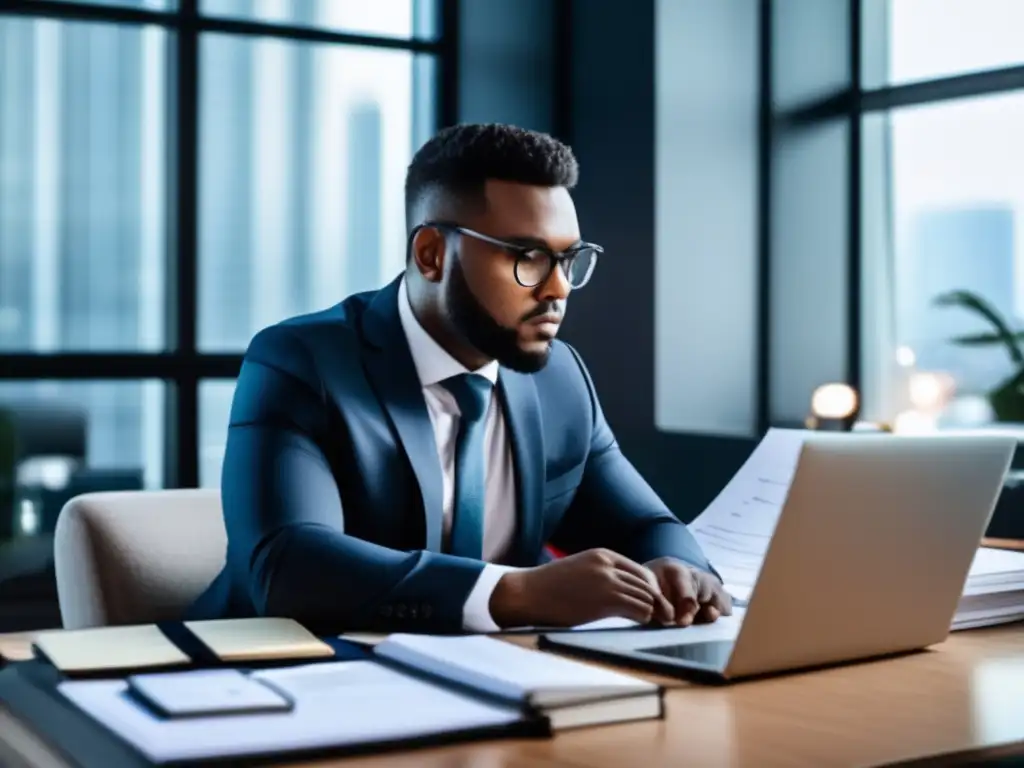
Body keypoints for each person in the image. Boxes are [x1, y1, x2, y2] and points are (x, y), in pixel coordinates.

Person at [187, 123, 731, 635]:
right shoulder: (301, 361)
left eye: (569, 260)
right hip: (270, 687)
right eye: (529, 257)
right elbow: (287, 567)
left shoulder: (560, 380)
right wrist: (515, 593)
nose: (558, 289)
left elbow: (646, 525)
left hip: (493, 691)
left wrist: (678, 568)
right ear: (430, 255)